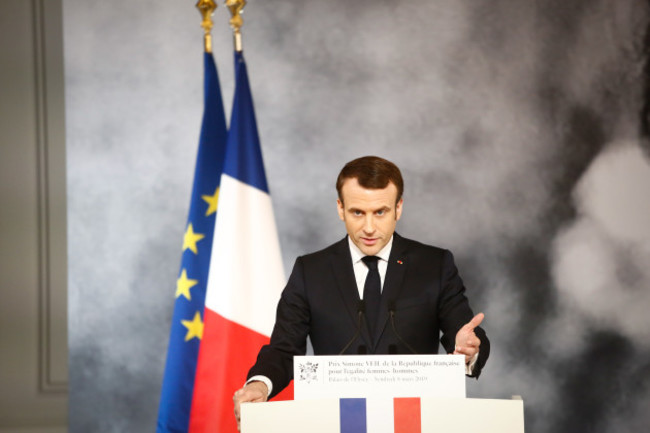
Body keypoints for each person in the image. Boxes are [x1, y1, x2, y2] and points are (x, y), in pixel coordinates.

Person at [233, 156, 489, 428]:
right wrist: (259, 385)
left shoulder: (435, 265)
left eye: (380, 212)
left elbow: (466, 336)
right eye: (358, 212)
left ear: (398, 208)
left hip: (414, 422)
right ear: (340, 208)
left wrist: (468, 350)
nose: (369, 227)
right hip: (337, 423)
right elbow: (284, 350)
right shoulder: (310, 270)